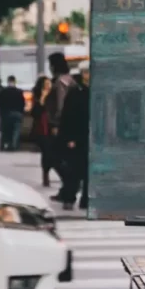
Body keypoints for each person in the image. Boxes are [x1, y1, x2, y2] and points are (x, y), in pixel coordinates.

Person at [46, 52, 77, 203]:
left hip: (62, 125)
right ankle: (67, 189)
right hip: (70, 124)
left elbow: (61, 105)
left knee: (55, 157)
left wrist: (57, 124)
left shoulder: (61, 83)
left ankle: (70, 186)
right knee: (64, 158)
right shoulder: (70, 80)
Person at [58, 66, 90, 211]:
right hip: (77, 137)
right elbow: (67, 116)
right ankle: (69, 198)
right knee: (74, 170)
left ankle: (86, 199)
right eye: (87, 72)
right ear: (83, 74)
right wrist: (69, 138)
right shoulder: (75, 92)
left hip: (93, 137)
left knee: (91, 171)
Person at [31, 75, 55, 186]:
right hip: (42, 129)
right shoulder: (37, 97)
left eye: (49, 83)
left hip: (52, 128)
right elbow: (35, 113)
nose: (48, 86)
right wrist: (42, 99)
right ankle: (46, 175)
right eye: (46, 84)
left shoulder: (54, 95)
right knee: (46, 153)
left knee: (52, 153)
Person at [0, 75, 26, 152]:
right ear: (15, 81)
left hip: (6, 113)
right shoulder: (19, 92)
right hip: (17, 113)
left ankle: (2, 145)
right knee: (16, 130)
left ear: (8, 81)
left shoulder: (3, 92)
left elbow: (0, 103)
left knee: (4, 130)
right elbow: (23, 103)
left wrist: (1, 113)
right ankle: (14, 145)